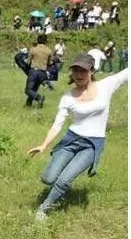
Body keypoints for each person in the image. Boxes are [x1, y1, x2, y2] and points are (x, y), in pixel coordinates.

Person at [27, 54, 128, 221]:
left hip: (92, 144)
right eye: (75, 70)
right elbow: (58, 124)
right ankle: (56, 188)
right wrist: (44, 145)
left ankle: (43, 210)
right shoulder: (67, 97)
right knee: (48, 178)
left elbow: (125, 73)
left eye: (83, 70)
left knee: (64, 180)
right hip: (71, 140)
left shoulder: (106, 86)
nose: (79, 75)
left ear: (92, 71)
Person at [24, 34, 51, 107]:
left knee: (28, 90)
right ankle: (28, 105)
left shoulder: (33, 49)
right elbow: (49, 63)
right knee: (34, 89)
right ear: (46, 41)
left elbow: (28, 62)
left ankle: (39, 98)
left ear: (37, 40)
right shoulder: (49, 51)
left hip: (34, 71)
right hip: (42, 73)